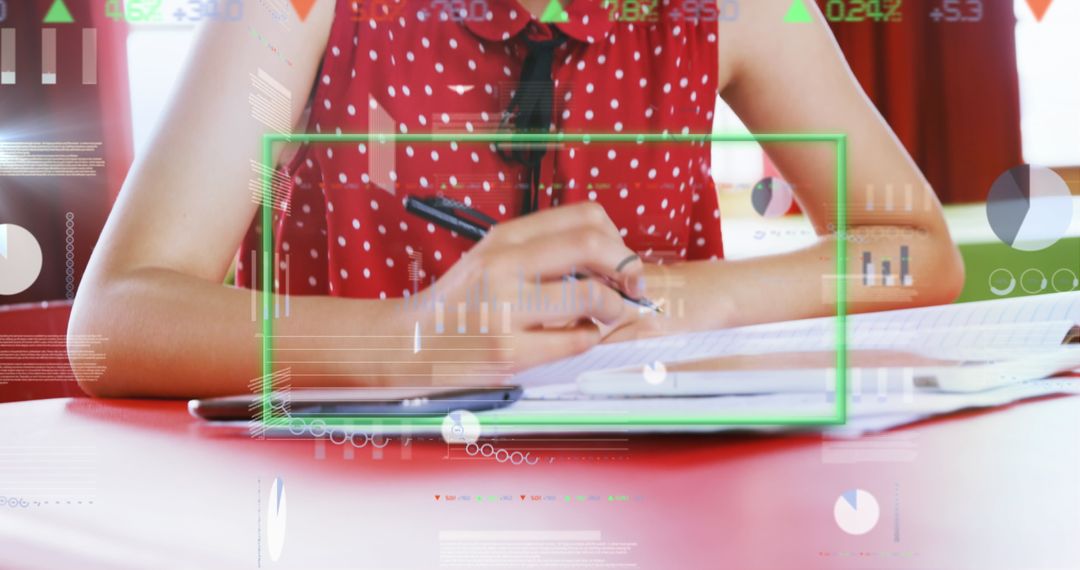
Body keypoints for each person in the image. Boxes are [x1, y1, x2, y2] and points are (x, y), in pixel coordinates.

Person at [69, 0, 964, 398]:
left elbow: (918, 250)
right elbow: (115, 320)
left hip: (653, 510)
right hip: (348, 508)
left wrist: (706, 295)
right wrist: (411, 340)